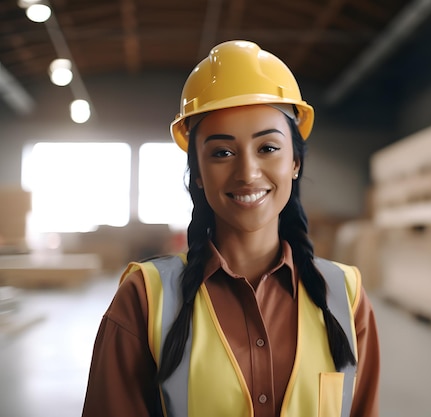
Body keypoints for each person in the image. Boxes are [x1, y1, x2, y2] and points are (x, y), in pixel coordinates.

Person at [81, 39, 380, 417]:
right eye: (222, 152)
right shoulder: (144, 299)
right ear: (199, 174)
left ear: (295, 163)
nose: (248, 173)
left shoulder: (346, 297)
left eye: (268, 148)